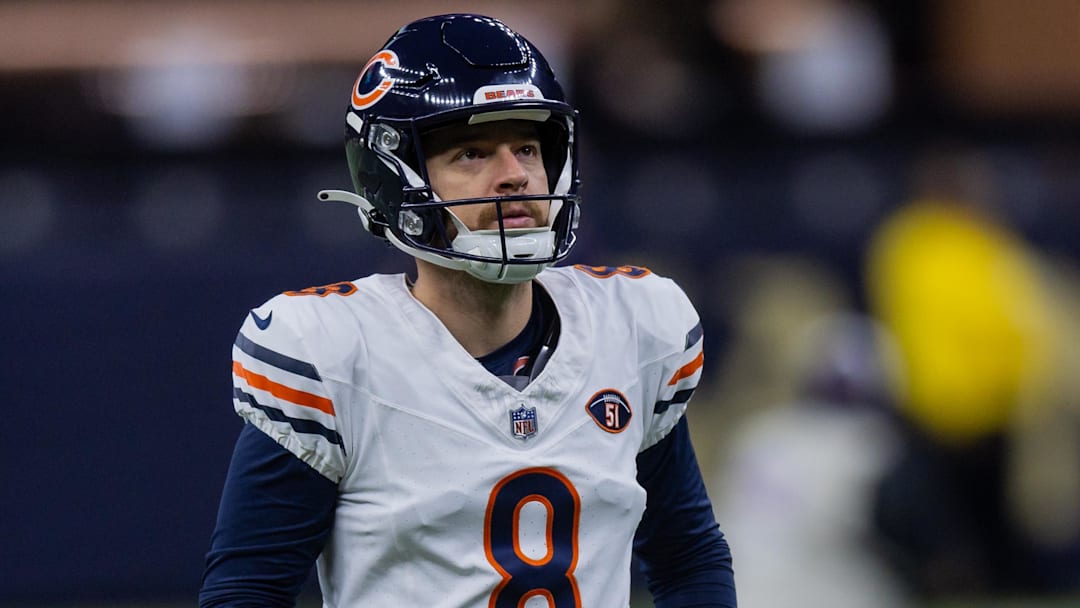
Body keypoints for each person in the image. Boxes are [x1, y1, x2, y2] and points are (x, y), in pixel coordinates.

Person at [199, 13, 736, 608]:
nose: (516, 176)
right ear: (392, 178)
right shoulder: (332, 354)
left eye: (528, 147)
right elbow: (247, 592)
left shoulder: (631, 326)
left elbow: (688, 556)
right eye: (473, 153)